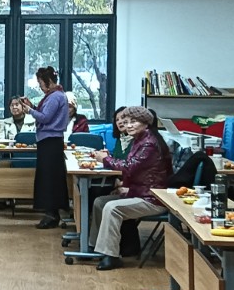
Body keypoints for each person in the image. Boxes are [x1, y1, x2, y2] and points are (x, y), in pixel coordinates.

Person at [90, 106, 172, 271]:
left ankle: (111, 256)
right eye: (126, 122)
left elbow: (128, 167)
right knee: (100, 202)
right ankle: (96, 247)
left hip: (153, 199)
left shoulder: (149, 144)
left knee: (112, 207)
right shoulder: (139, 140)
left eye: (133, 122)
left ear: (146, 123)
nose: (128, 125)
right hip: (140, 193)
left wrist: (105, 159)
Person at [13, 67, 70, 229]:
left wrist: (29, 110)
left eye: (40, 83)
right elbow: (45, 114)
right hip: (50, 140)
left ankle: (52, 214)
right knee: (49, 178)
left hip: (50, 141)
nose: (40, 86)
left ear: (49, 81)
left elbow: (45, 118)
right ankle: (51, 213)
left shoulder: (55, 96)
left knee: (49, 179)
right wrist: (31, 106)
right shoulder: (54, 95)